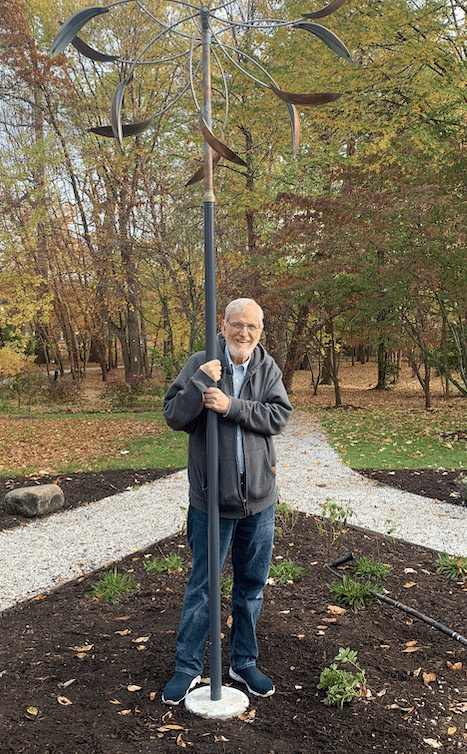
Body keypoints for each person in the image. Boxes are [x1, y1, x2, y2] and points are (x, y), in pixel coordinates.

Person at [161, 298, 292, 705]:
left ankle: (243, 661)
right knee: (203, 586)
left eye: (252, 327)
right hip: (211, 502)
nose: (244, 333)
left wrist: (231, 406)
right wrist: (200, 384)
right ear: (224, 325)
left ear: (260, 331)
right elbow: (173, 415)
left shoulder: (266, 368)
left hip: (259, 500)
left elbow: (279, 417)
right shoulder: (201, 362)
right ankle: (187, 668)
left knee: (251, 585)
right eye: (237, 324)